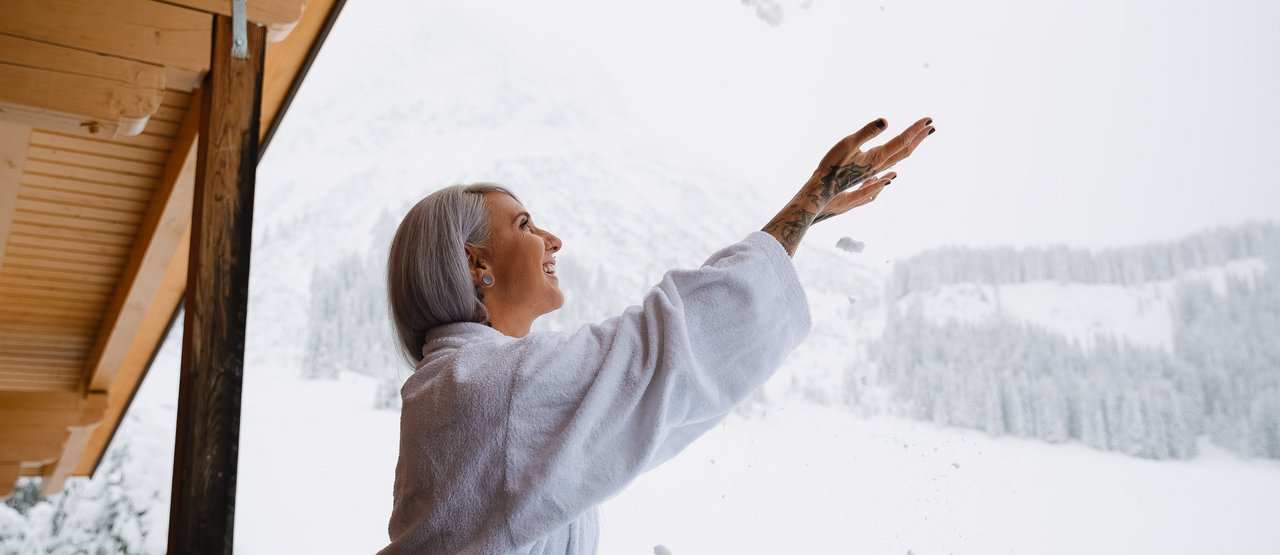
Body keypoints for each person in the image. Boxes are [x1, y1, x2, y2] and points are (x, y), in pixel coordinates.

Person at [379, 117, 936, 554]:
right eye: (524, 225)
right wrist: (811, 197)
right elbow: (669, 346)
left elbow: (644, 404)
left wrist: (806, 219)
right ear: (477, 264)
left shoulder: (464, 386)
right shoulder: (489, 387)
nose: (553, 240)